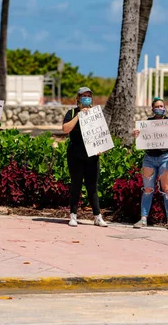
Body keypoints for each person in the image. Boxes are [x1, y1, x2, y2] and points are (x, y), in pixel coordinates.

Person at [132, 97, 168, 231]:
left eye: (161, 106)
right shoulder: (147, 123)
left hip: (166, 158)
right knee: (147, 189)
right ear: (152, 109)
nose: (159, 108)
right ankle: (143, 219)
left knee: (167, 189)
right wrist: (136, 134)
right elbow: (140, 137)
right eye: (157, 106)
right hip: (149, 158)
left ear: (164, 107)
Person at [62, 86, 108, 228]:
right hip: (75, 154)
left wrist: (101, 149)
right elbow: (65, 129)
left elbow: (102, 134)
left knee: (92, 186)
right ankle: (73, 215)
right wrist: (79, 116)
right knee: (76, 185)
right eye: (83, 95)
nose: (86, 98)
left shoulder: (96, 114)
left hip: (92, 155)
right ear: (78, 98)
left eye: (89, 95)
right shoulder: (71, 112)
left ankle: (97, 216)